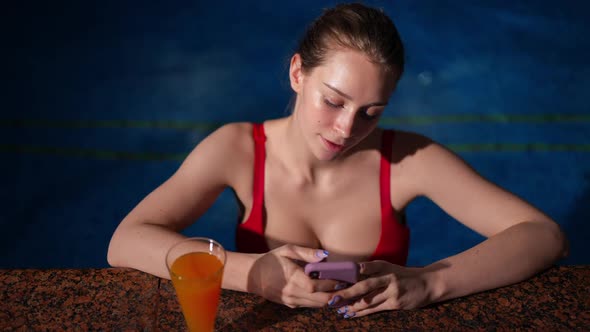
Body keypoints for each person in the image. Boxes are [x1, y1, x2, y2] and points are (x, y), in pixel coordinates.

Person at [107, 2, 568, 318]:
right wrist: (252, 273)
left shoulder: (408, 160)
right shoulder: (237, 150)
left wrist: (428, 282)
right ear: (297, 74)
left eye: (371, 112)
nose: (347, 129)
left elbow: (544, 236)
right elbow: (126, 241)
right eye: (333, 101)